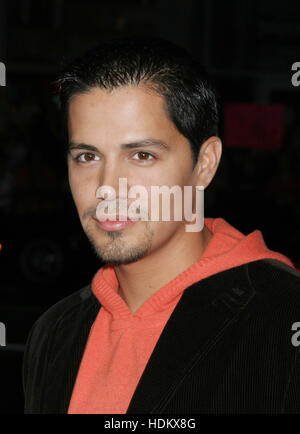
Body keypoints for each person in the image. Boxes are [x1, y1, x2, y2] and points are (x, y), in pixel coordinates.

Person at [22, 36, 300, 414]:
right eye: (87, 156)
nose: (106, 187)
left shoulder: (282, 321)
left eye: (141, 155)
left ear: (204, 164)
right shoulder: (53, 333)